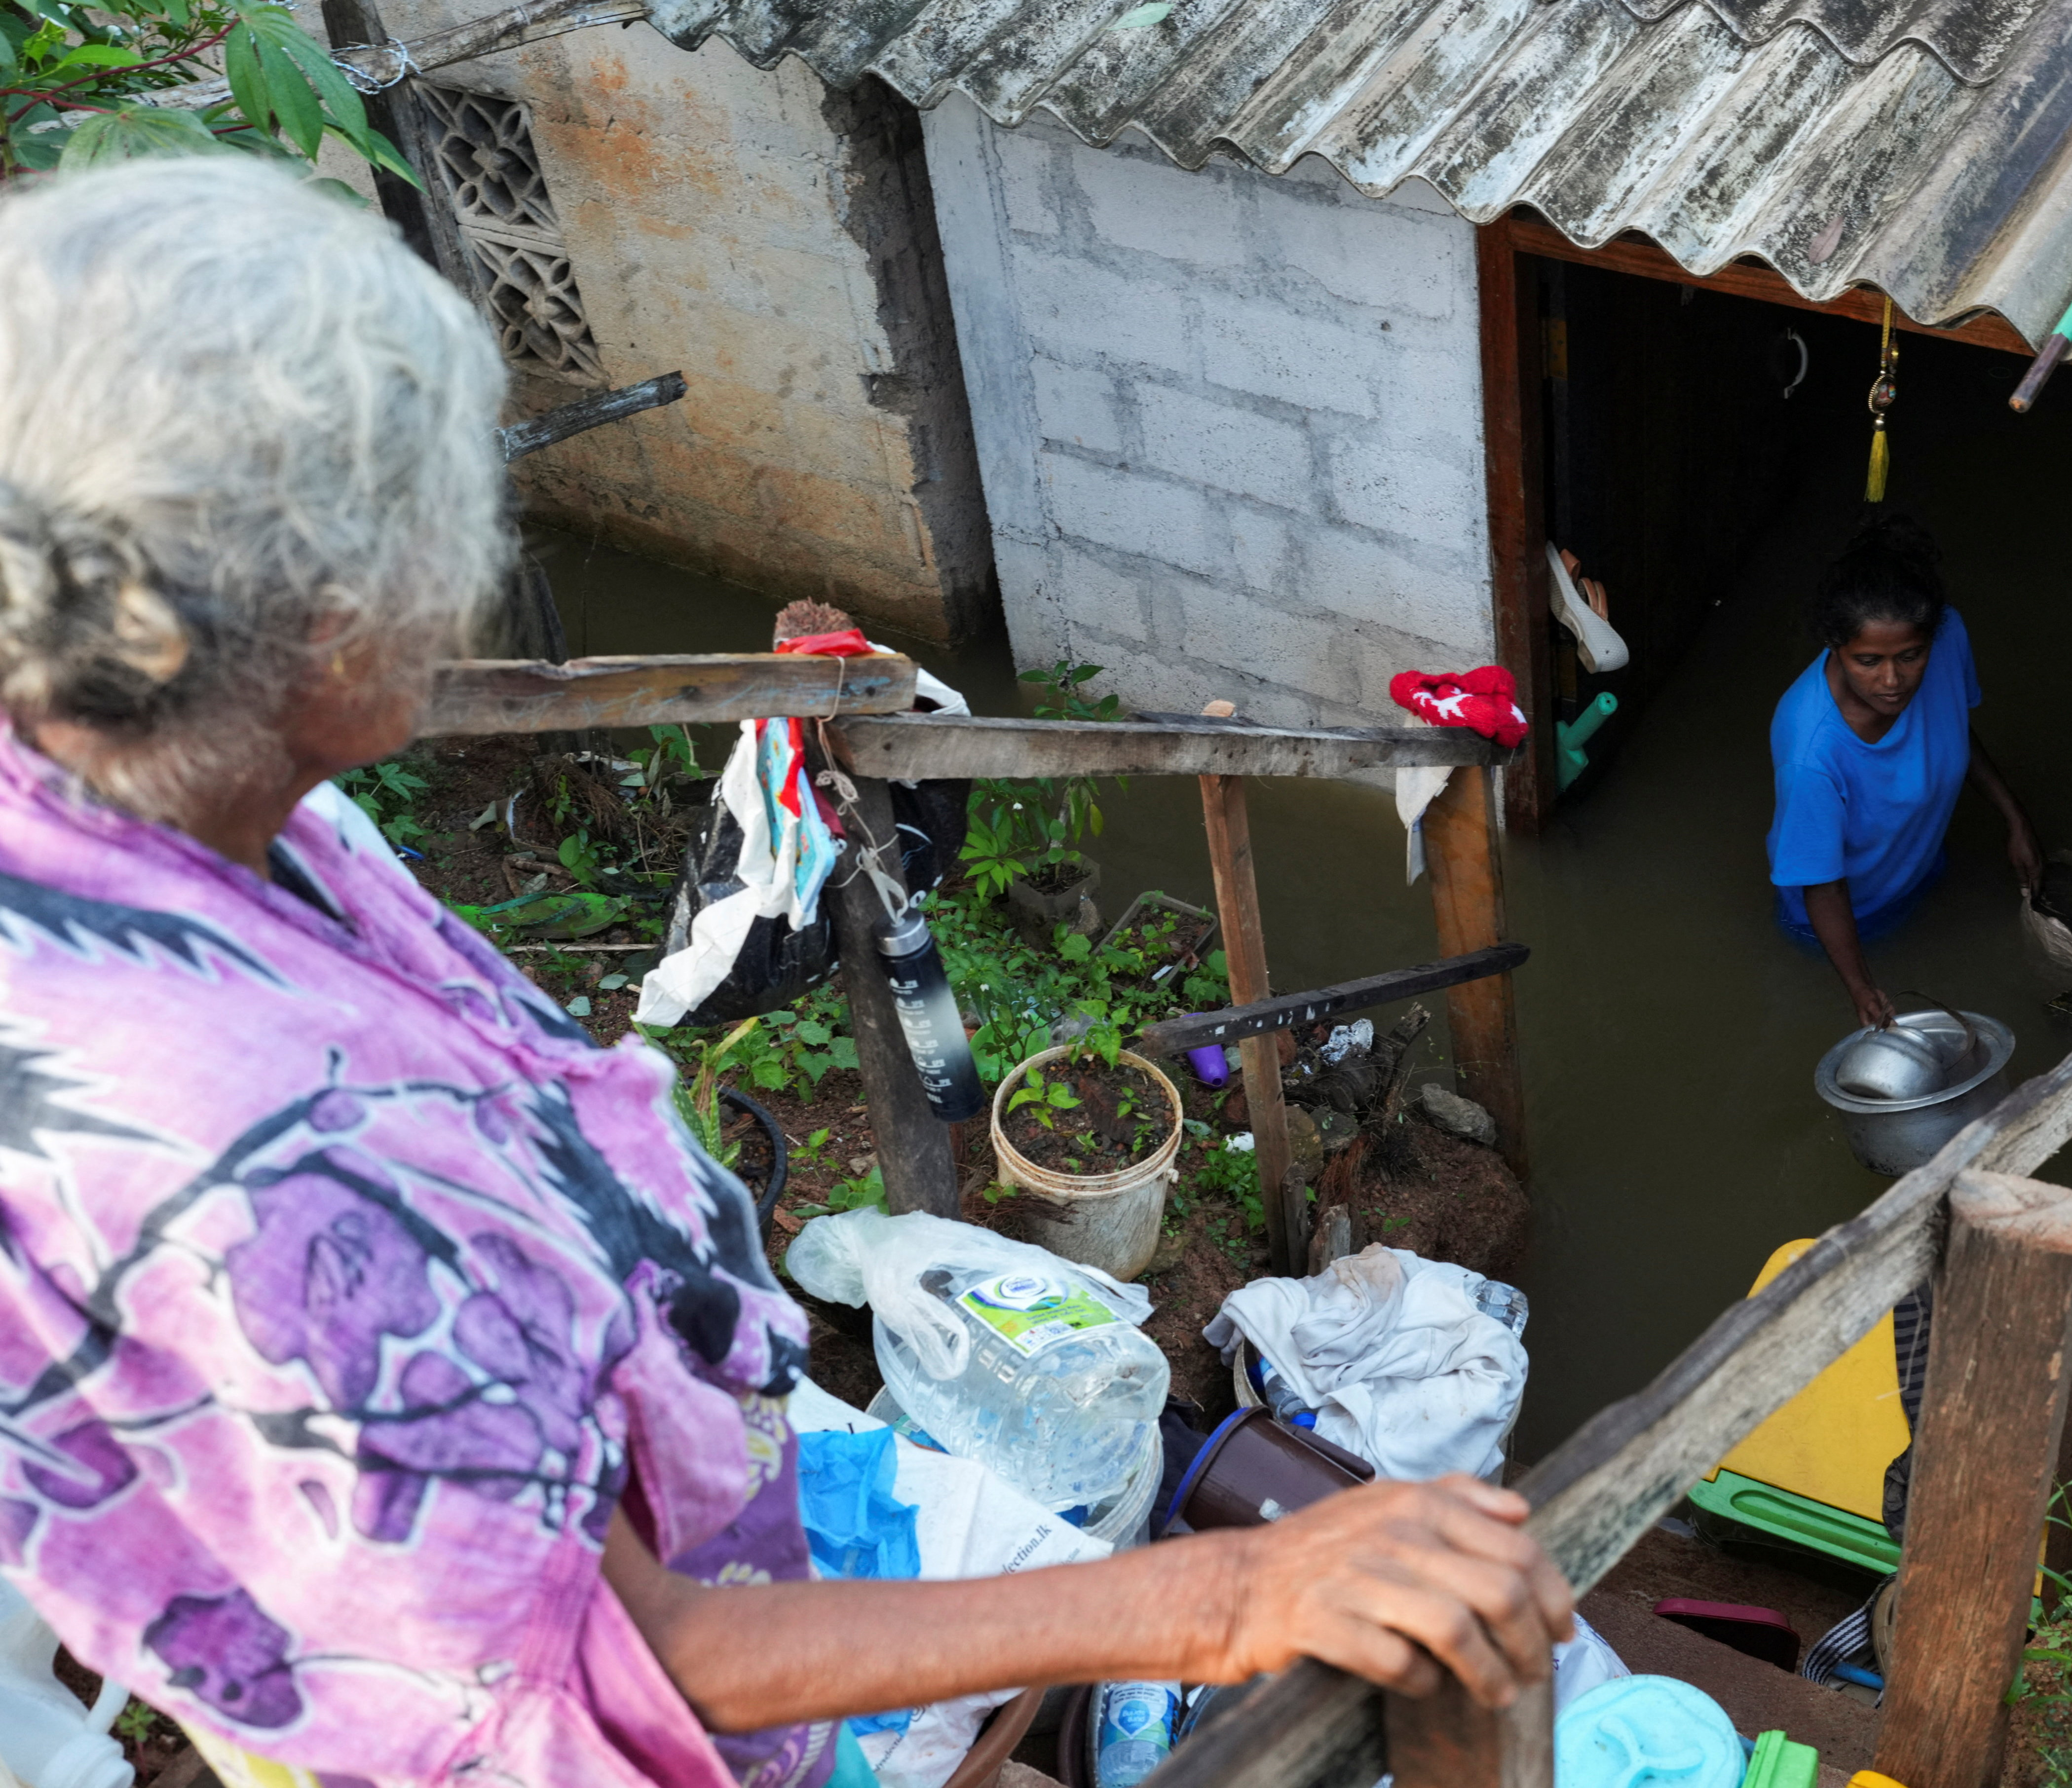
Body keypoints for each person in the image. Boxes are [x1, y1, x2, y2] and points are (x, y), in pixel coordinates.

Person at [0, 159, 1569, 1788]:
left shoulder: (142, 810)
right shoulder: (243, 1154)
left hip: (628, 1510)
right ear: (324, 616)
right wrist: (1229, 1587)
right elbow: (611, 1660)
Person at [1767, 517, 2041, 1028]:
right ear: (1834, 646)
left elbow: (1953, 727)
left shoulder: (1947, 636)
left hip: (1923, 870)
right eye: (1868, 661)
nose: (1892, 681)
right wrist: (1862, 988)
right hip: (1846, 921)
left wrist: (2015, 819)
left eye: (1910, 657)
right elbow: (1821, 886)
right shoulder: (1812, 754)